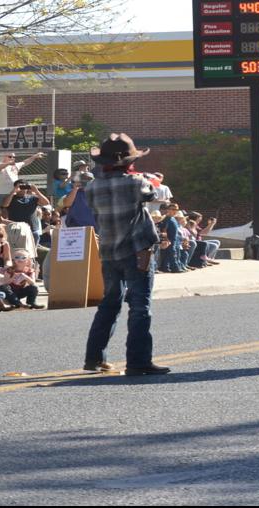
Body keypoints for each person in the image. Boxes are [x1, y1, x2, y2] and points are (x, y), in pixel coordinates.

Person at [80, 133, 165, 376]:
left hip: (108, 252)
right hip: (137, 252)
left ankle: (94, 357)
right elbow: (153, 194)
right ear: (128, 161)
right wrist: (145, 177)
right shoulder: (136, 182)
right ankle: (138, 362)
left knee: (109, 304)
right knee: (140, 307)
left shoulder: (92, 187)